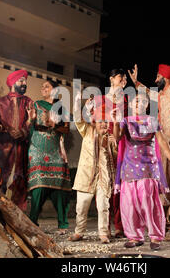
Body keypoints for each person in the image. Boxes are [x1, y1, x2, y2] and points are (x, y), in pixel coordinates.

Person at [112, 92, 170, 250]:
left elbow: (162, 141)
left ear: (147, 105)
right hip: (129, 168)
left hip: (148, 167)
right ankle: (135, 236)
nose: (138, 103)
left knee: (148, 202)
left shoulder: (152, 121)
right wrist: (115, 122)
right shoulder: (125, 121)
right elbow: (117, 138)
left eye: (142, 101)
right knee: (129, 204)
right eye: (136, 101)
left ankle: (155, 236)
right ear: (130, 105)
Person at [128, 63, 170, 240]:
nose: (155, 80)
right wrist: (136, 82)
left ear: (165, 78)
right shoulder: (163, 93)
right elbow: (150, 93)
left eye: (157, 77)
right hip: (165, 145)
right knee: (166, 186)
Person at [69, 96, 118, 244]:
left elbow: (115, 159)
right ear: (95, 122)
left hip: (103, 177)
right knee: (81, 207)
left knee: (103, 206)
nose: (104, 124)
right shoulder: (87, 130)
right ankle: (79, 232)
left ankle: (103, 233)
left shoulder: (110, 137)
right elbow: (78, 118)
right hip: (86, 176)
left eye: (106, 122)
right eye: (101, 121)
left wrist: (114, 145)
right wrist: (79, 103)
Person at [0, 69, 34, 211]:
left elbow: (33, 121)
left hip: (20, 149)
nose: (24, 83)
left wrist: (24, 131)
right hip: (1, 147)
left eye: (25, 81)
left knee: (19, 182)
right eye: (21, 80)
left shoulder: (29, 102)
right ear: (13, 82)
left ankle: (15, 219)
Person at [27, 79, 72, 234]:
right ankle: (32, 221)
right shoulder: (36, 104)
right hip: (37, 147)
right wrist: (30, 120)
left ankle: (63, 224)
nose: (43, 88)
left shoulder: (61, 108)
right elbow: (28, 125)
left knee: (58, 187)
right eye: (42, 86)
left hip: (55, 148)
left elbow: (67, 129)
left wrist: (55, 125)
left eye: (47, 86)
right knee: (38, 185)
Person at [93, 68, 127, 238]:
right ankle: (104, 227)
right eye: (121, 77)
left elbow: (129, 124)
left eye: (125, 79)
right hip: (104, 147)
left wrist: (120, 137)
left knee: (119, 187)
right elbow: (96, 125)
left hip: (121, 146)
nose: (124, 80)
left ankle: (119, 225)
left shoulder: (127, 101)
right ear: (112, 79)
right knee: (105, 186)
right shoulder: (100, 100)